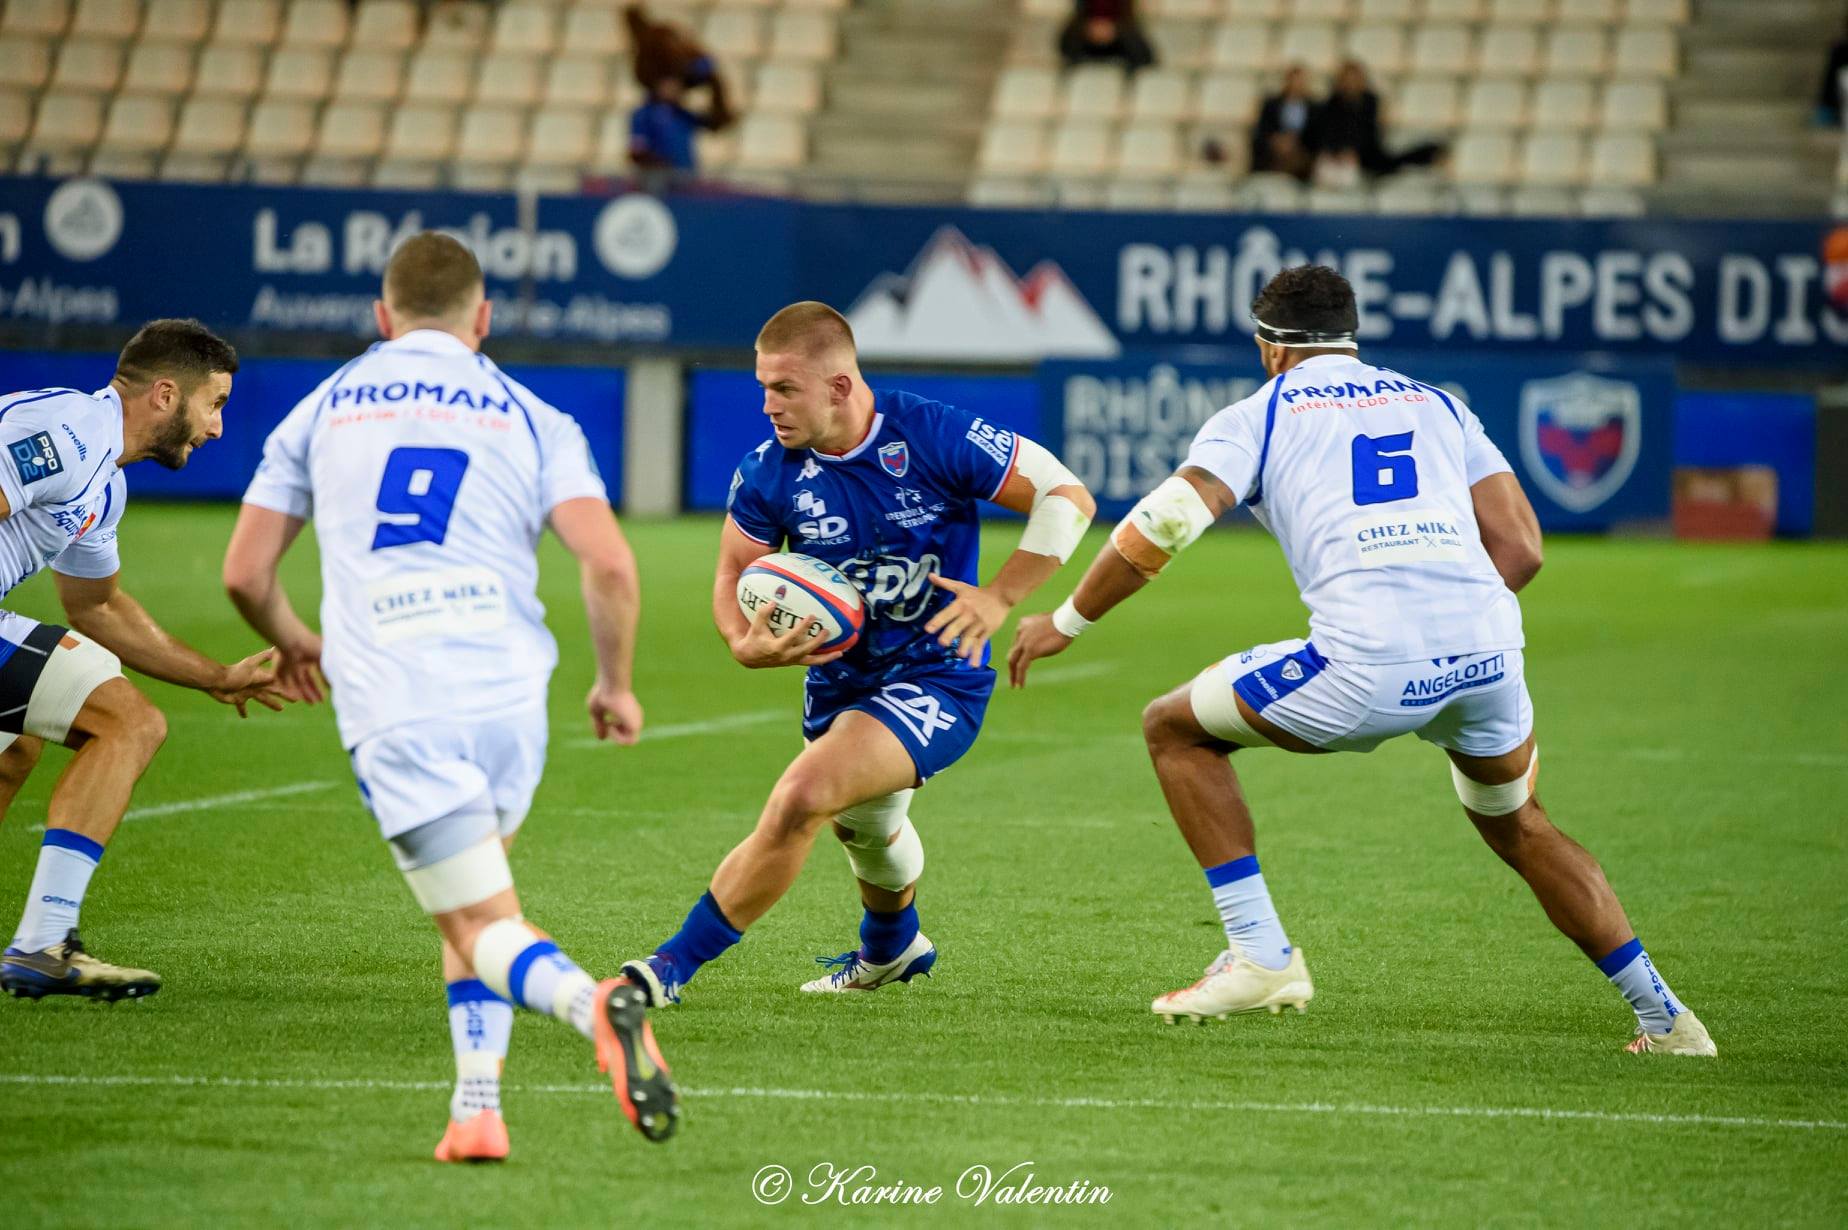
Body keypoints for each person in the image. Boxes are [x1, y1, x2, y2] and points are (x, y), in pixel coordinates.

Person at [1008, 266, 1715, 1058]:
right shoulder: (1440, 403)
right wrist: (1445, 629)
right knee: (1520, 823)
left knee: (1173, 729)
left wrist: (1067, 619)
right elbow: (1521, 547)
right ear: (1351, 335)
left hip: (1367, 663)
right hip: (1489, 656)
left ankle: (1261, 955)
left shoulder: (1258, 413)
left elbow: (1166, 523)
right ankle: (1666, 1019)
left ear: (1269, 347)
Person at [221, 232, 676, 1159]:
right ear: (485, 319)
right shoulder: (534, 414)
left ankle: (596, 1005)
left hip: (399, 690)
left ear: (382, 319)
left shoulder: (319, 409)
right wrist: (616, 684)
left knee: (476, 918)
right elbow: (609, 564)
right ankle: (477, 1110)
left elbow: (243, 576)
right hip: (510, 689)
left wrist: (297, 643)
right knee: (481, 896)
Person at [620, 302, 1095, 1007]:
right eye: (762, 388)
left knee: (801, 799)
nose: (767, 406)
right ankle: (893, 948)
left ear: (840, 386)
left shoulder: (931, 433)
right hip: (839, 687)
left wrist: (999, 596)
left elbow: (1067, 496)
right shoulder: (768, 472)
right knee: (870, 832)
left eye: (784, 389)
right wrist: (742, 643)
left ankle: (665, 971)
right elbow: (732, 571)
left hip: (938, 674)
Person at [0, 320, 286, 1002]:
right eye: (214, 403)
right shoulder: (68, 433)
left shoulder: (106, 483)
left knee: (13, 750)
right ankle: (44, 943)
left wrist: (218, 677)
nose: (217, 428)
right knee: (127, 722)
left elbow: (97, 608)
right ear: (165, 394)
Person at [1312, 60, 1444, 181]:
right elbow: (1326, 133)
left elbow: (1370, 132)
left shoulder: (1370, 102)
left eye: (1354, 78)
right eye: (1347, 79)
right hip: (1337, 155)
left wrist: (1354, 151)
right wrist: (1339, 151)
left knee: (1390, 162)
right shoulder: (1331, 104)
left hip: (1366, 153)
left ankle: (1431, 152)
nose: (1350, 83)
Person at [1250, 65, 1316, 181]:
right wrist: (1277, 140)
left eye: (1300, 81)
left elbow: (1316, 133)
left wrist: (1295, 143)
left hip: (1300, 149)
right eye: (1293, 80)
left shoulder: (1313, 107)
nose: (1296, 84)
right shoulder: (1271, 104)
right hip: (1275, 148)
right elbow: (1263, 128)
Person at [1058, 0, 1155, 75]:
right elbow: (1080, 16)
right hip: (1087, 39)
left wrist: (1115, 29)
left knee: (1137, 49)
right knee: (1070, 44)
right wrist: (1090, 28)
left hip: (1120, 40)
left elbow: (1128, 17)